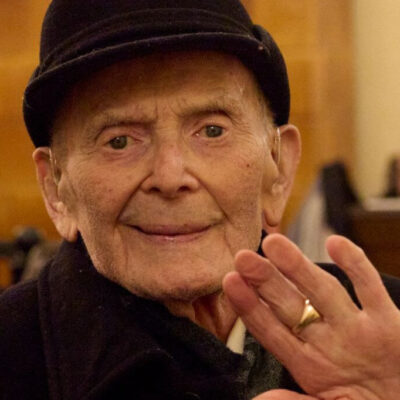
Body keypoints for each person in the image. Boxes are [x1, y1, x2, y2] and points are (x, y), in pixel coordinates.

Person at [1, 1, 400, 399]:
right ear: (56, 189)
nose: (170, 177)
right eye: (119, 141)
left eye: (212, 130)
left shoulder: (389, 335)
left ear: (277, 168)